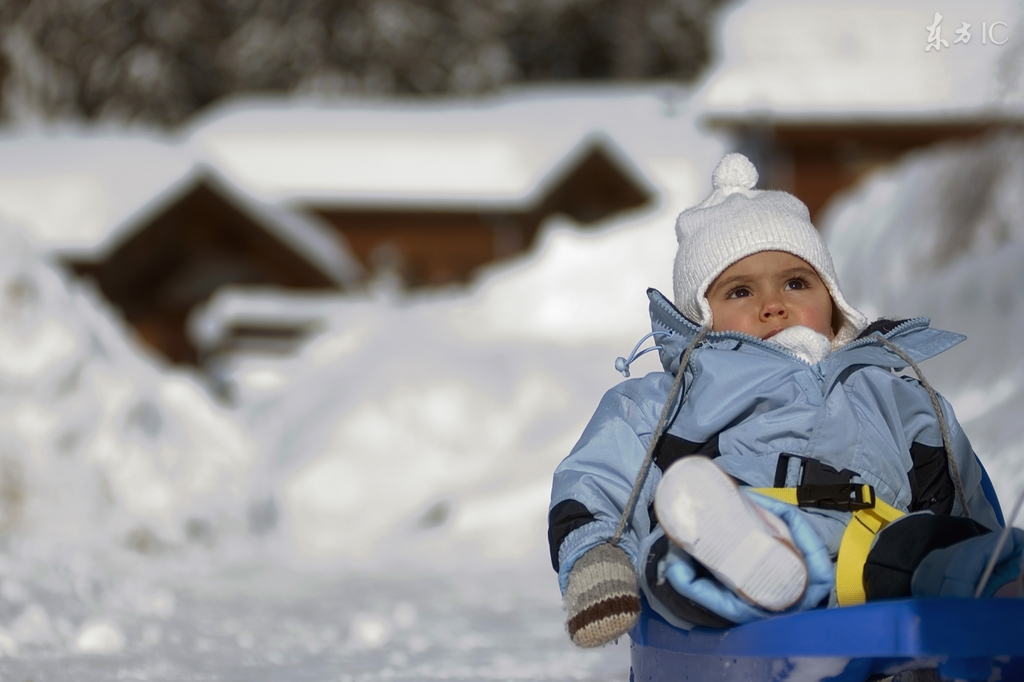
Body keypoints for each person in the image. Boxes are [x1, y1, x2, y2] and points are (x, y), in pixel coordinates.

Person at [548, 153, 1021, 648]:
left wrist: (982, 549)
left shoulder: (894, 392)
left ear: (834, 304)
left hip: (878, 551)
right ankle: (765, 569)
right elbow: (600, 477)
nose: (773, 304)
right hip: (741, 530)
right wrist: (597, 556)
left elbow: (959, 492)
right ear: (699, 321)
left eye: (796, 283)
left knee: (943, 553)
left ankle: (1007, 587)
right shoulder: (671, 396)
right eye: (740, 291)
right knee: (675, 557)